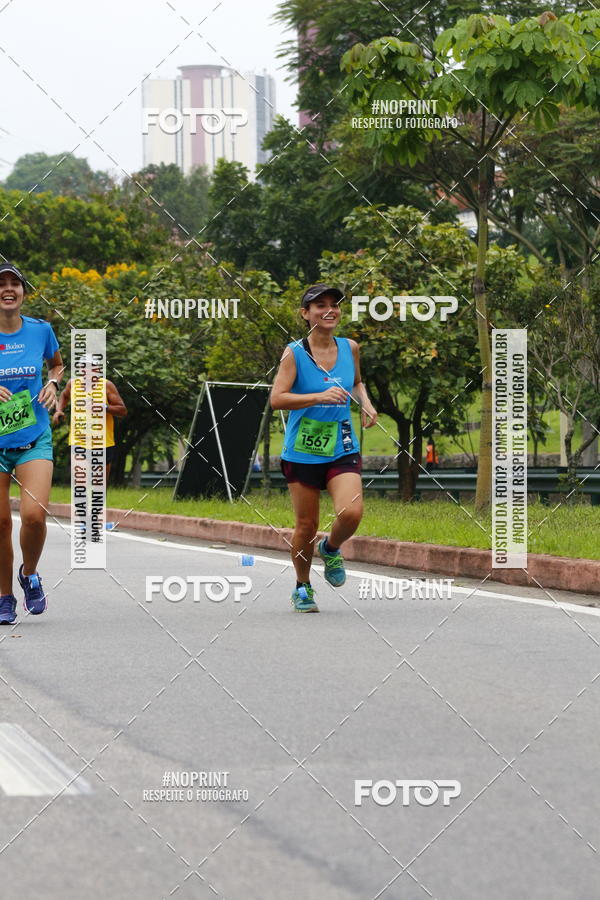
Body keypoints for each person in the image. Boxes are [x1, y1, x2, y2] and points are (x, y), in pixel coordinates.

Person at [270, 283, 378, 613]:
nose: (329, 310)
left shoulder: (350, 347)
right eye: (320, 305)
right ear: (306, 314)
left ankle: (330, 548)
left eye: (334, 304)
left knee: (352, 512)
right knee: (306, 526)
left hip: (342, 446)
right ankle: (302, 586)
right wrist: (318, 396)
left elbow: (356, 381)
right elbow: (277, 399)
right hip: (303, 450)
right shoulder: (294, 353)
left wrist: (365, 402)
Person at [0, 262, 63, 624]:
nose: (8, 289)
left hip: (33, 436)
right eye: (1, 284)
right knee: (0, 524)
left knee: (34, 516)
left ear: (23, 292)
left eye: (15, 283)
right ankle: (4, 596)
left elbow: (56, 365)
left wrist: (53, 383)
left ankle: (29, 573)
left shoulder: (41, 330)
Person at [52, 362, 127, 483]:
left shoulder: (107, 385)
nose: (87, 370)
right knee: (80, 480)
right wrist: (59, 410)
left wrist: (104, 407)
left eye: (91, 367)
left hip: (102, 441)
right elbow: (65, 395)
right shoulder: (73, 383)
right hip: (79, 440)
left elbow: (122, 411)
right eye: (83, 367)